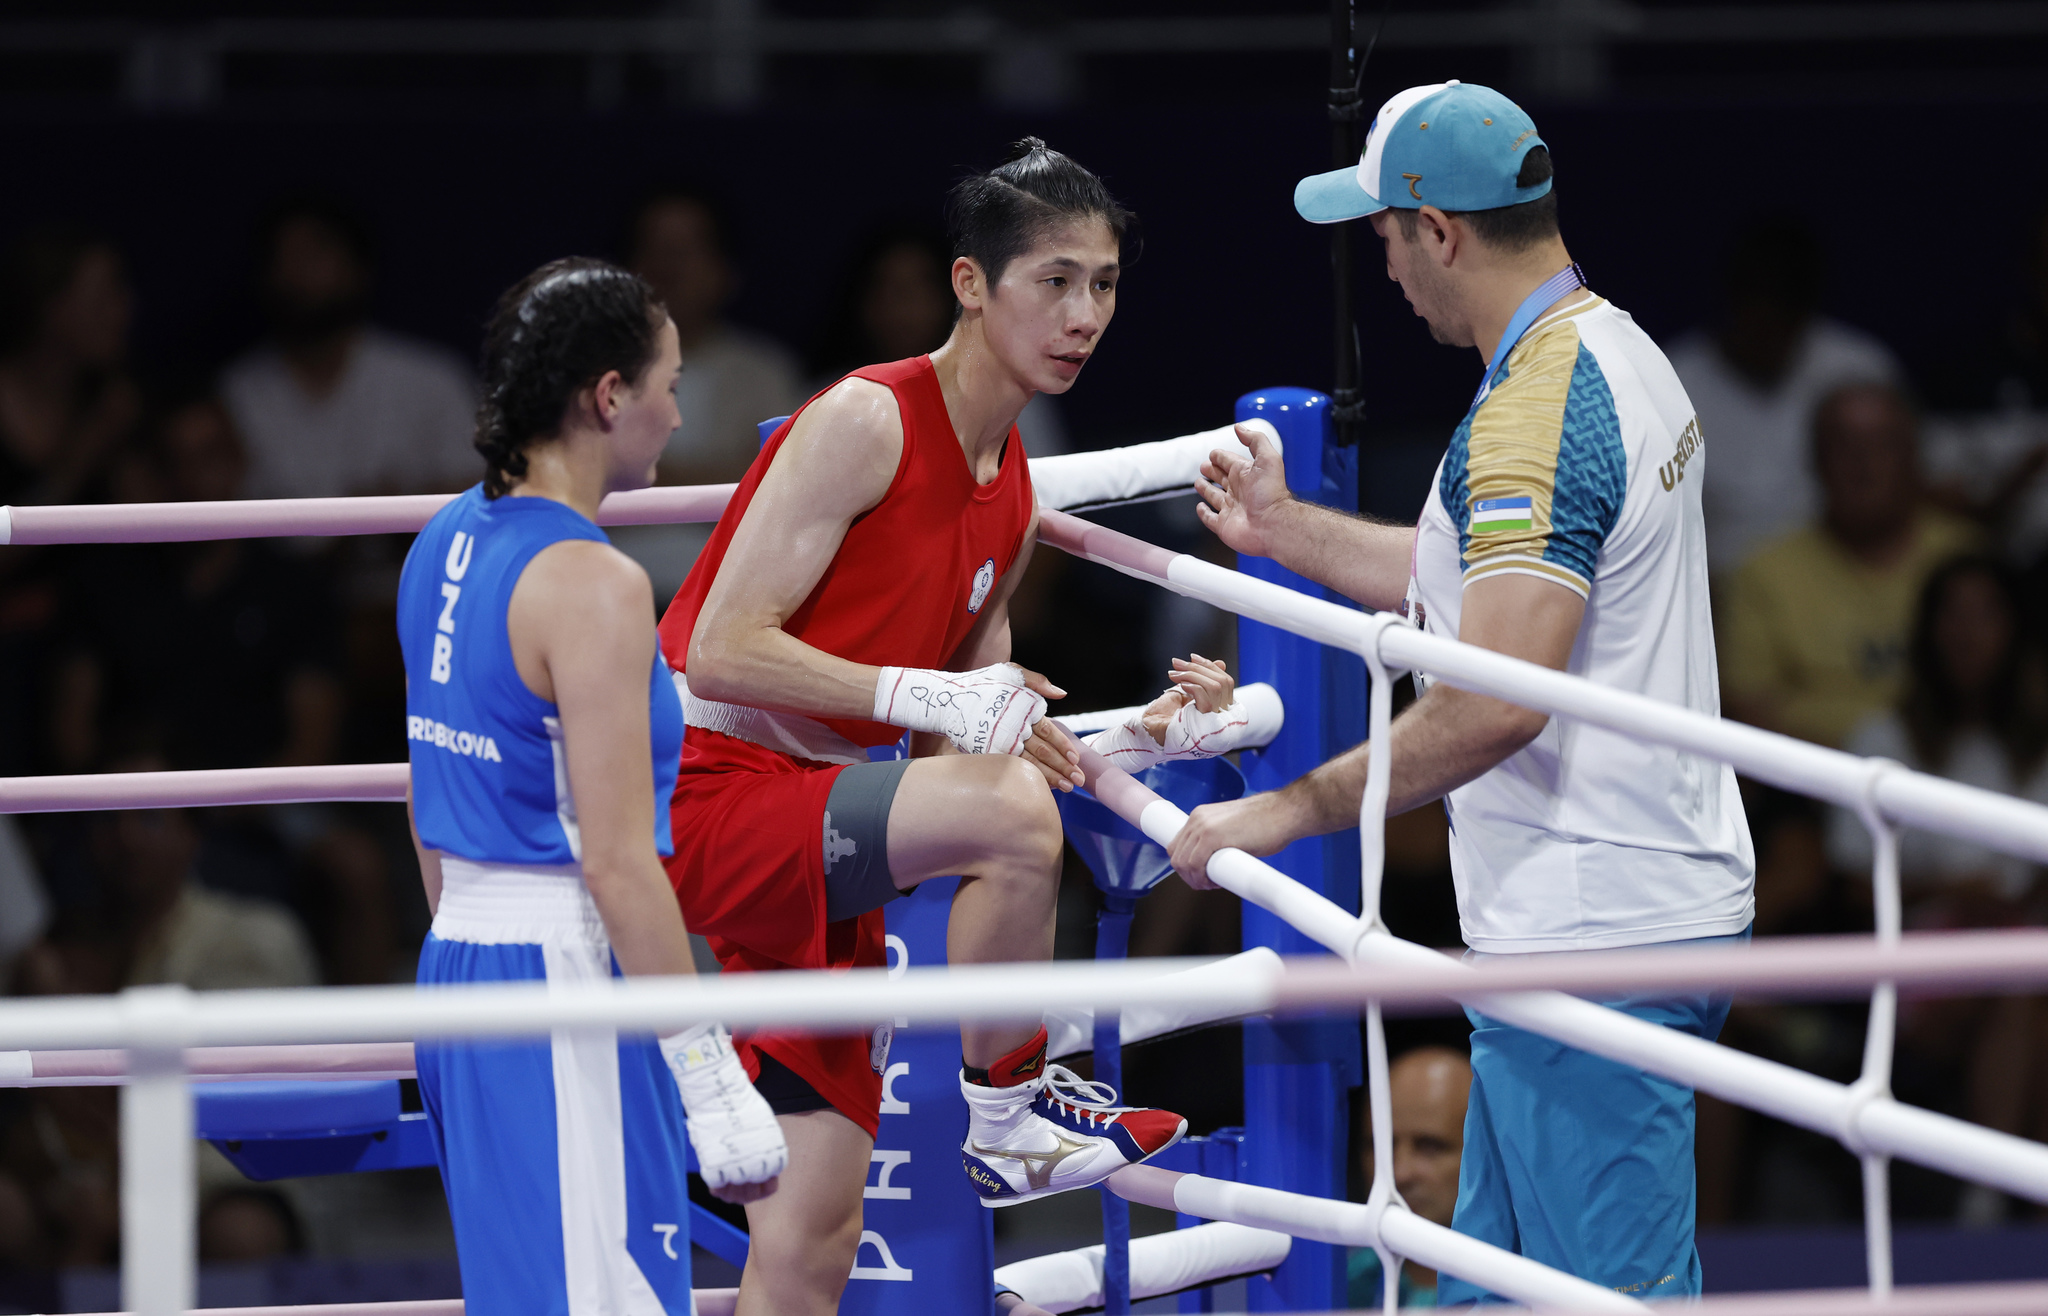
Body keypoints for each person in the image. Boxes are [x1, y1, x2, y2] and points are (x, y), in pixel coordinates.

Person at [1173, 82, 1755, 1302]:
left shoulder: (1536, 412)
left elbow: (1498, 694)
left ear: (1436, 229)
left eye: (1381, 232)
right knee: (1483, 1287)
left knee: (1612, 1296)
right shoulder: (1609, 349)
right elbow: (1472, 582)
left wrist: (1277, 814)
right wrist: (1284, 531)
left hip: (1595, 931)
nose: (1380, 265)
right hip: (1601, 907)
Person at [660, 139, 1187, 1316]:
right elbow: (718, 645)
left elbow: (969, 719)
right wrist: (932, 701)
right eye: (1052, 280)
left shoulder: (1011, 485)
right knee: (1008, 820)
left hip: (818, 817)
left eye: (1102, 283)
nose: (1083, 312)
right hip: (710, 787)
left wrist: (1088, 736)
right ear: (968, 284)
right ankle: (1009, 1117)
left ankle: (1009, 1116)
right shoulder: (867, 416)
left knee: (812, 1227)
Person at [398, 257, 786, 1314]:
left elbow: (424, 787)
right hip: (556, 970)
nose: (673, 412)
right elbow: (617, 861)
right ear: (606, 396)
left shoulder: (442, 540)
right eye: (664, 382)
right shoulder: (596, 584)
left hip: (464, 961)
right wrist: (708, 1072)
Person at [1824, 556, 2048, 1222]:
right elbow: (1851, 888)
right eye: (1952, 613)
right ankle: (2007, 1200)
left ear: (2016, 631)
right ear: (1926, 631)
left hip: (2025, 955)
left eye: (1986, 613)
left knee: (2025, 995)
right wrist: (1954, 893)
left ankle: (1997, 1202)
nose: (1967, 633)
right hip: (1917, 965)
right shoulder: (1882, 739)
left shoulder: (2041, 747)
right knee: (2020, 987)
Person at [1721, 382, 1979, 749]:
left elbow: (2015, 701)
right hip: (1815, 789)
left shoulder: (1967, 556)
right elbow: (1748, 713)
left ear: (1914, 455)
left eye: (1882, 444)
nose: (1863, 463)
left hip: (1958, 779)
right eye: (1844, 446)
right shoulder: (1762, 572)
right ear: (1814, 460)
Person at [1665, 217, 1900, 578]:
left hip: (1844, 585)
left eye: (1781, 323)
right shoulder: (1669, 381)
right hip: (1712, 595)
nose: (1766, 336)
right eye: (1756, 319)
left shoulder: (1859, 371)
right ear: (1730, 305)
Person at [609, 185, 805, 601]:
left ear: (725, 271)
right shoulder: (591, 370)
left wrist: (634, 473)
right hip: (599, 593)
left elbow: (781, 485)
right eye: (655, 248)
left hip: (725, 602)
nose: (668, 267)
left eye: (687, 249)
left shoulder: (765, 370)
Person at [223, 195, 477, 501]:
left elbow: (478, 491)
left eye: (314, 255)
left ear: (359, 267)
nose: (297, 274)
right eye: (282, 257)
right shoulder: (236, 391)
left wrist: (395, 512)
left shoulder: (431, 379)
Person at [1350, 1046, 1472, 1309]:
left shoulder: (1537, 1291)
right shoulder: (1343, 1288)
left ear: (1486, 1155)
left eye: (1429, 1146)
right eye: (1380, 1146)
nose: (1399, 1173)